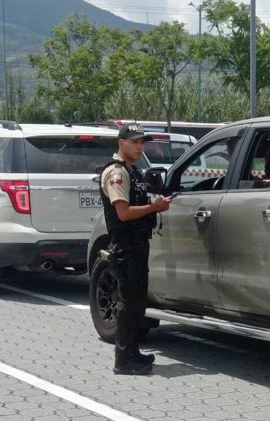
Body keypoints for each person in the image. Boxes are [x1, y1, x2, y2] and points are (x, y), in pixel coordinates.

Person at [99, 123, 171, 375]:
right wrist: (155, 208)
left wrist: (155, 202)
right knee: (128, 305)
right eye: (135, 142)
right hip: (126, 247)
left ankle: (132, 353)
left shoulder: (132, 170)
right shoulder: (116, 173)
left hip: (137, 244)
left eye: (143, 142)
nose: (140, 146)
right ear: (122, 143)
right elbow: (124, 213)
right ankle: (124, 360)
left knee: (136, 304)